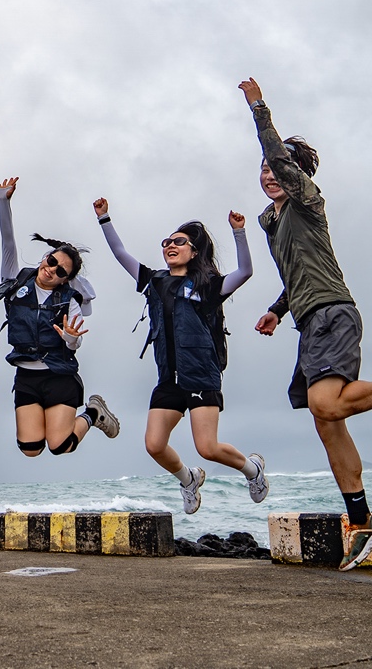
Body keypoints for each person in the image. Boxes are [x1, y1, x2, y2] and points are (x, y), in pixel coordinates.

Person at [238, 77, 372, 571]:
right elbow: (298, 274)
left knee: (324, 403)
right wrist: (277, 308)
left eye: (276, 168)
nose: (268, 174)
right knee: (326, 423)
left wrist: (259, 108)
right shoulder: (274, 223)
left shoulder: (308, 200)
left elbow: (286, 165)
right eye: (263, 168)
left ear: (295, 174)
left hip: (334, 311)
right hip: (310, 320)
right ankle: (362, 520)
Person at [94, 198, 267, 514]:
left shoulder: (207, 286)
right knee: (154, 445)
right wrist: (104, 217)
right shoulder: (155, 281)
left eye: (178, 242)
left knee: (208, 448)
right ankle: (188, 478)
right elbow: (121, 254)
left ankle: (252, 470)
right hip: (168, 379)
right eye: (166, 242)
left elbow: (245, 271)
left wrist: (239, 232)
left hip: (200, 374)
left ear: (194, 251)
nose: (170, 246)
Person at [0, 177, 119, 458]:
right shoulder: (14, 279)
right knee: (30, 449)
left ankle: (93, 413)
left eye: (61, 271)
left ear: (66, 279)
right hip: (26, 374)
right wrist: (3, 200)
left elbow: (74, 343)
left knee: (59, 445)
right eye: (52, 262)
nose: (52, 270)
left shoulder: (69, 300)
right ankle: (88, 415)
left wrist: (72, 340)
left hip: (59, 375)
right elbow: (8, 239)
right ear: (45, 258)